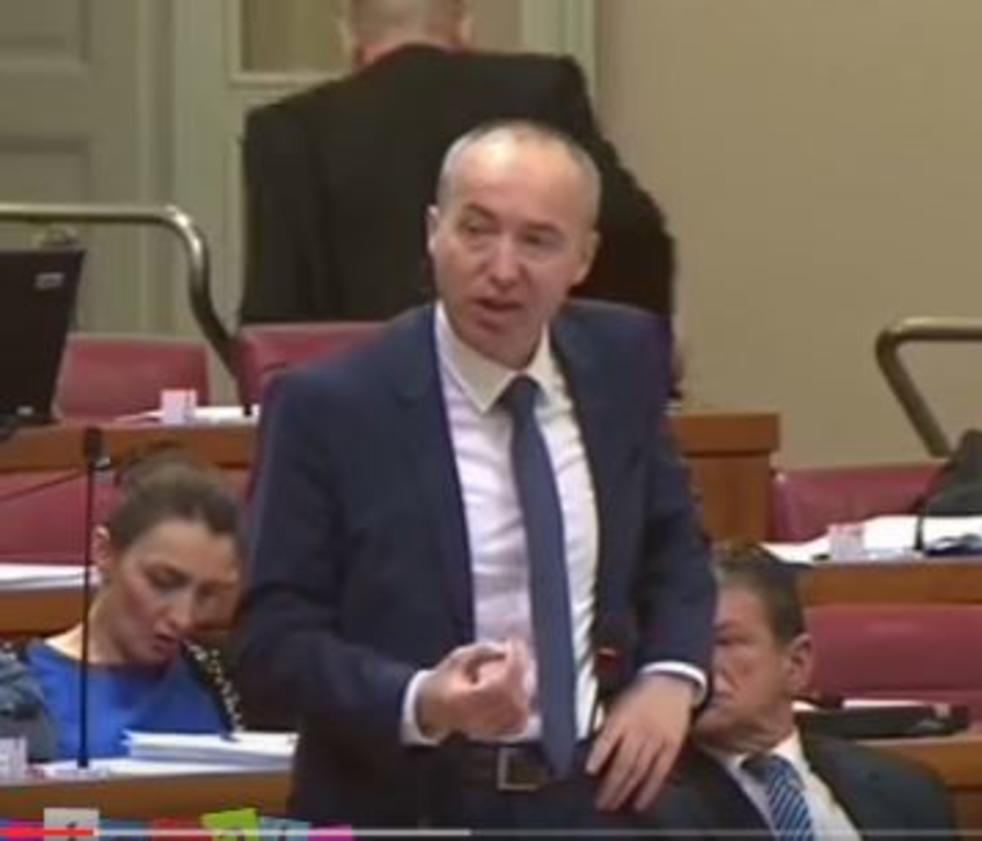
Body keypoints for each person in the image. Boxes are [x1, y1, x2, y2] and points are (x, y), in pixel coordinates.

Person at [234, 121, 714, 830]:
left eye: (538, 241)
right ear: (434, 232)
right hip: (412, 802)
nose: (502, 268)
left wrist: (672, 675)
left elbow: (675, 549)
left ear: (583, 258)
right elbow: (271, 642)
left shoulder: (622, 359)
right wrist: (421, 699)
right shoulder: (331, 406)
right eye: (476, 230)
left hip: (596, 798)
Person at [239, 0, 676, 326]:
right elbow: (631, 230)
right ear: (465, 29)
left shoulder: (288, 131)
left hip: (364, 401)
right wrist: (630, 355)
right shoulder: (542, 89)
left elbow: (275, 313)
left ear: (348, 40)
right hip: (525, 377)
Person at [656, 544, 958, 840]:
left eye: (725, 642)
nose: (695, 664)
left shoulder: (906, 790)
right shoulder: (644, 802)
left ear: (796, 664)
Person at [24, 456, 243, 760]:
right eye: (163, 582)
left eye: (207, 593)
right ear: (104, 552)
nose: (184, 618)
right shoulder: (18, 685)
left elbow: (263, 787)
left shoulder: (225, 681)